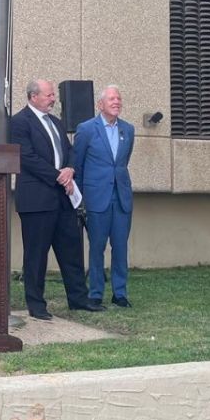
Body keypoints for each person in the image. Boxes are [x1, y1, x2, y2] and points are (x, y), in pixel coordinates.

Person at [10, 79, 99, 320]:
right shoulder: (19, 122)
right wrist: (59, 176)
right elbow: (26, 157)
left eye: (52, 95)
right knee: (36, 255)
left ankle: (79, 298)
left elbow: (69, 151)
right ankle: (36, 304)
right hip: (37, 200)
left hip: (63, 198)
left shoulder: (56, 122)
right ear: (33, 97)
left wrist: (69, 169)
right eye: (48, 95)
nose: (53, 99)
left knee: (71, 250)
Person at [72, 85, 136, 308]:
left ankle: (120, 293)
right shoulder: (87, 129)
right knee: (97, 247)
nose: (116, 102)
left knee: (120, 247)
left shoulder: (128, 130)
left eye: (119, 98)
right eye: (111, 99)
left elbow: (122, 162)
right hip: (97, 197)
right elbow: (77, 165)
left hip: (121, 198)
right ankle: (96, 292)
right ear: (100, 104)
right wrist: (80, 200)